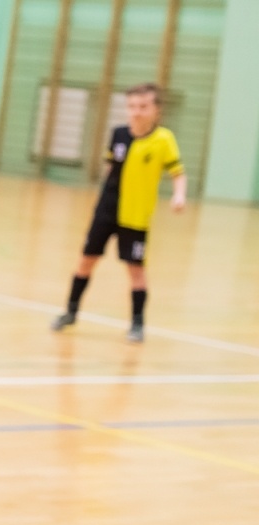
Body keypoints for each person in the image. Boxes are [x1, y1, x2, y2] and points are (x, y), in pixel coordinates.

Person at [51, 83, 186, 343]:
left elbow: (177, 173)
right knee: (86, 260)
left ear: (156, 110)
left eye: (143, 107)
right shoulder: (119, 134)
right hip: (106, 211)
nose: (136, 112)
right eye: (132, 106)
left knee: (136, 269)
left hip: (135, 216)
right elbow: (111, 168)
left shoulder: (164, 140)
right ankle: (70, 311)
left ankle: (137, 323)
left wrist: (179, 195)